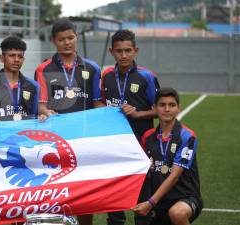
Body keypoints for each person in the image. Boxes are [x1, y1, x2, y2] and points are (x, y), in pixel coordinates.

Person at [34, 19, 104, 225]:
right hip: (56, 143)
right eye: (62, 39)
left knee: (85, 194)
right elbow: (41, 106)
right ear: (54, 41)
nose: (67, 42)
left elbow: (98, 103)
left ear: (76, 37)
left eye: (71, 37)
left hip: (84, 141)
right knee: (56, 193)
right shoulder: (44, 69)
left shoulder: (91, 68)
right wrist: (46, 112)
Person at [101, 29, 160, 225]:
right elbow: (100, 105)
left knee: (142, 197)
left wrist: (137, 114)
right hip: (114, 146)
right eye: (119, 51)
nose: (123, 55)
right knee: (115, 197)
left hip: (141, 146)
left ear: (135, 50)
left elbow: (160, 109)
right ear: (112, 51)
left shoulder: (147, 76)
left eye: (128, 50)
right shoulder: (106, 76)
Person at [132, 87, 203, 225]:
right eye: (162, 105)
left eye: (172, 105)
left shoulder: (187, 136)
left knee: (177, 213)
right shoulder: (147, 137)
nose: (167, 109)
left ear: (179, 108)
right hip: (159, 201)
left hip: (184, 197)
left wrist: (150, 203)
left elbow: (174, 176)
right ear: (154, 108)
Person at [0, 36, 40, 123]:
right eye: (12, 55)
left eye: (20, 56)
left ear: (23, 59)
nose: (16, 60)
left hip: (23, 135)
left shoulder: (34, 86)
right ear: (2, 58)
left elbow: (36, 117)